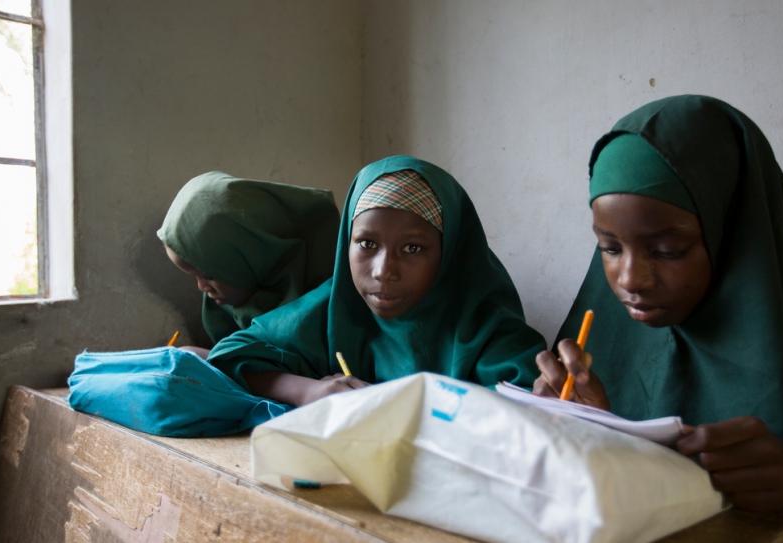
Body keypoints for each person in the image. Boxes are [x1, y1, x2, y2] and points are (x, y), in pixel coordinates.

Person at [534, 95, 783, 543]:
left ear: (730, 231)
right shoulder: (598, 358)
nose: (630, 279)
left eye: (668, 250)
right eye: (610, 248)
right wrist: (590, 430)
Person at [208, 155, 546, 406]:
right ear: (347, 243)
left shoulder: (486, 329)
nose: (384, 270)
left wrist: (399, 407)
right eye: (367, 244)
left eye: (413, 248)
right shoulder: (332, 310)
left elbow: (531, 401)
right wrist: (309, 391)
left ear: (450, 254)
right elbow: (230, 355)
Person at [157, 172, 340, 357]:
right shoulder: (226, 311)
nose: (202, 287)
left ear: (251, 257)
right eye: (195, 277)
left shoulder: (325, 303)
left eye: (208, 276)